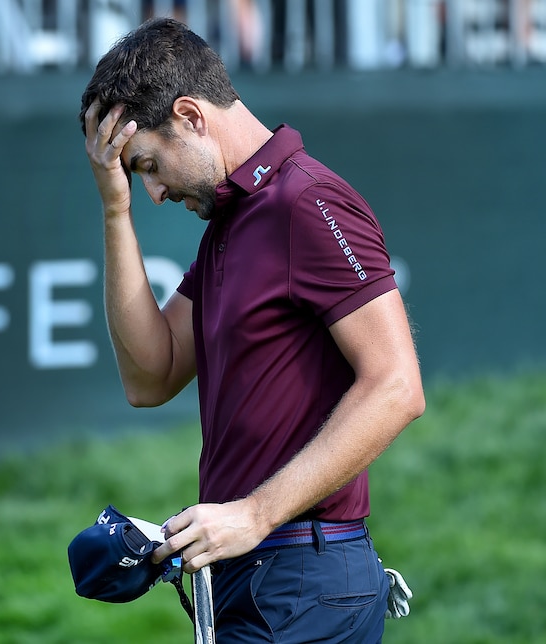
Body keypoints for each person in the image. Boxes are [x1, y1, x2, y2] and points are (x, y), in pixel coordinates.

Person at [79, 17, 425, 643]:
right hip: (265, 576)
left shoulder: (307, 202)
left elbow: (397, 387)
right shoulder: (234, 222)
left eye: (150, 166)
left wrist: (254, 515)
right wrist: (114, 207)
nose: (152, 192)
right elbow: (149, 376)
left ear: (190, 114)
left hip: (303, 579)